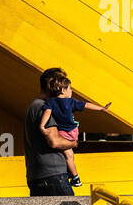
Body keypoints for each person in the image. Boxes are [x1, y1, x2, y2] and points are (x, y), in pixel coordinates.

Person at [38, 73, 111, 187]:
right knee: (70, 155)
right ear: (63, 90)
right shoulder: (71, 102)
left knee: (68, 156)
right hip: (73, 132)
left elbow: (47, 113)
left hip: (62, 133)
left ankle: (75, 177)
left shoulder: (51, 102)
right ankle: (74, 176)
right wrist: (101, 108)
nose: (71, 91)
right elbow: (87, 105)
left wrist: (42, 126)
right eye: (70, 88)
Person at [24, 69, 78, 197]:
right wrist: (73, 143)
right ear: (52, 85)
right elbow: (54, 141)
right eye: (62, 84)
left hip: (36, 175)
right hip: (53, 175)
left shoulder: (33, 106)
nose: (64, 88)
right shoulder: (44, 107)